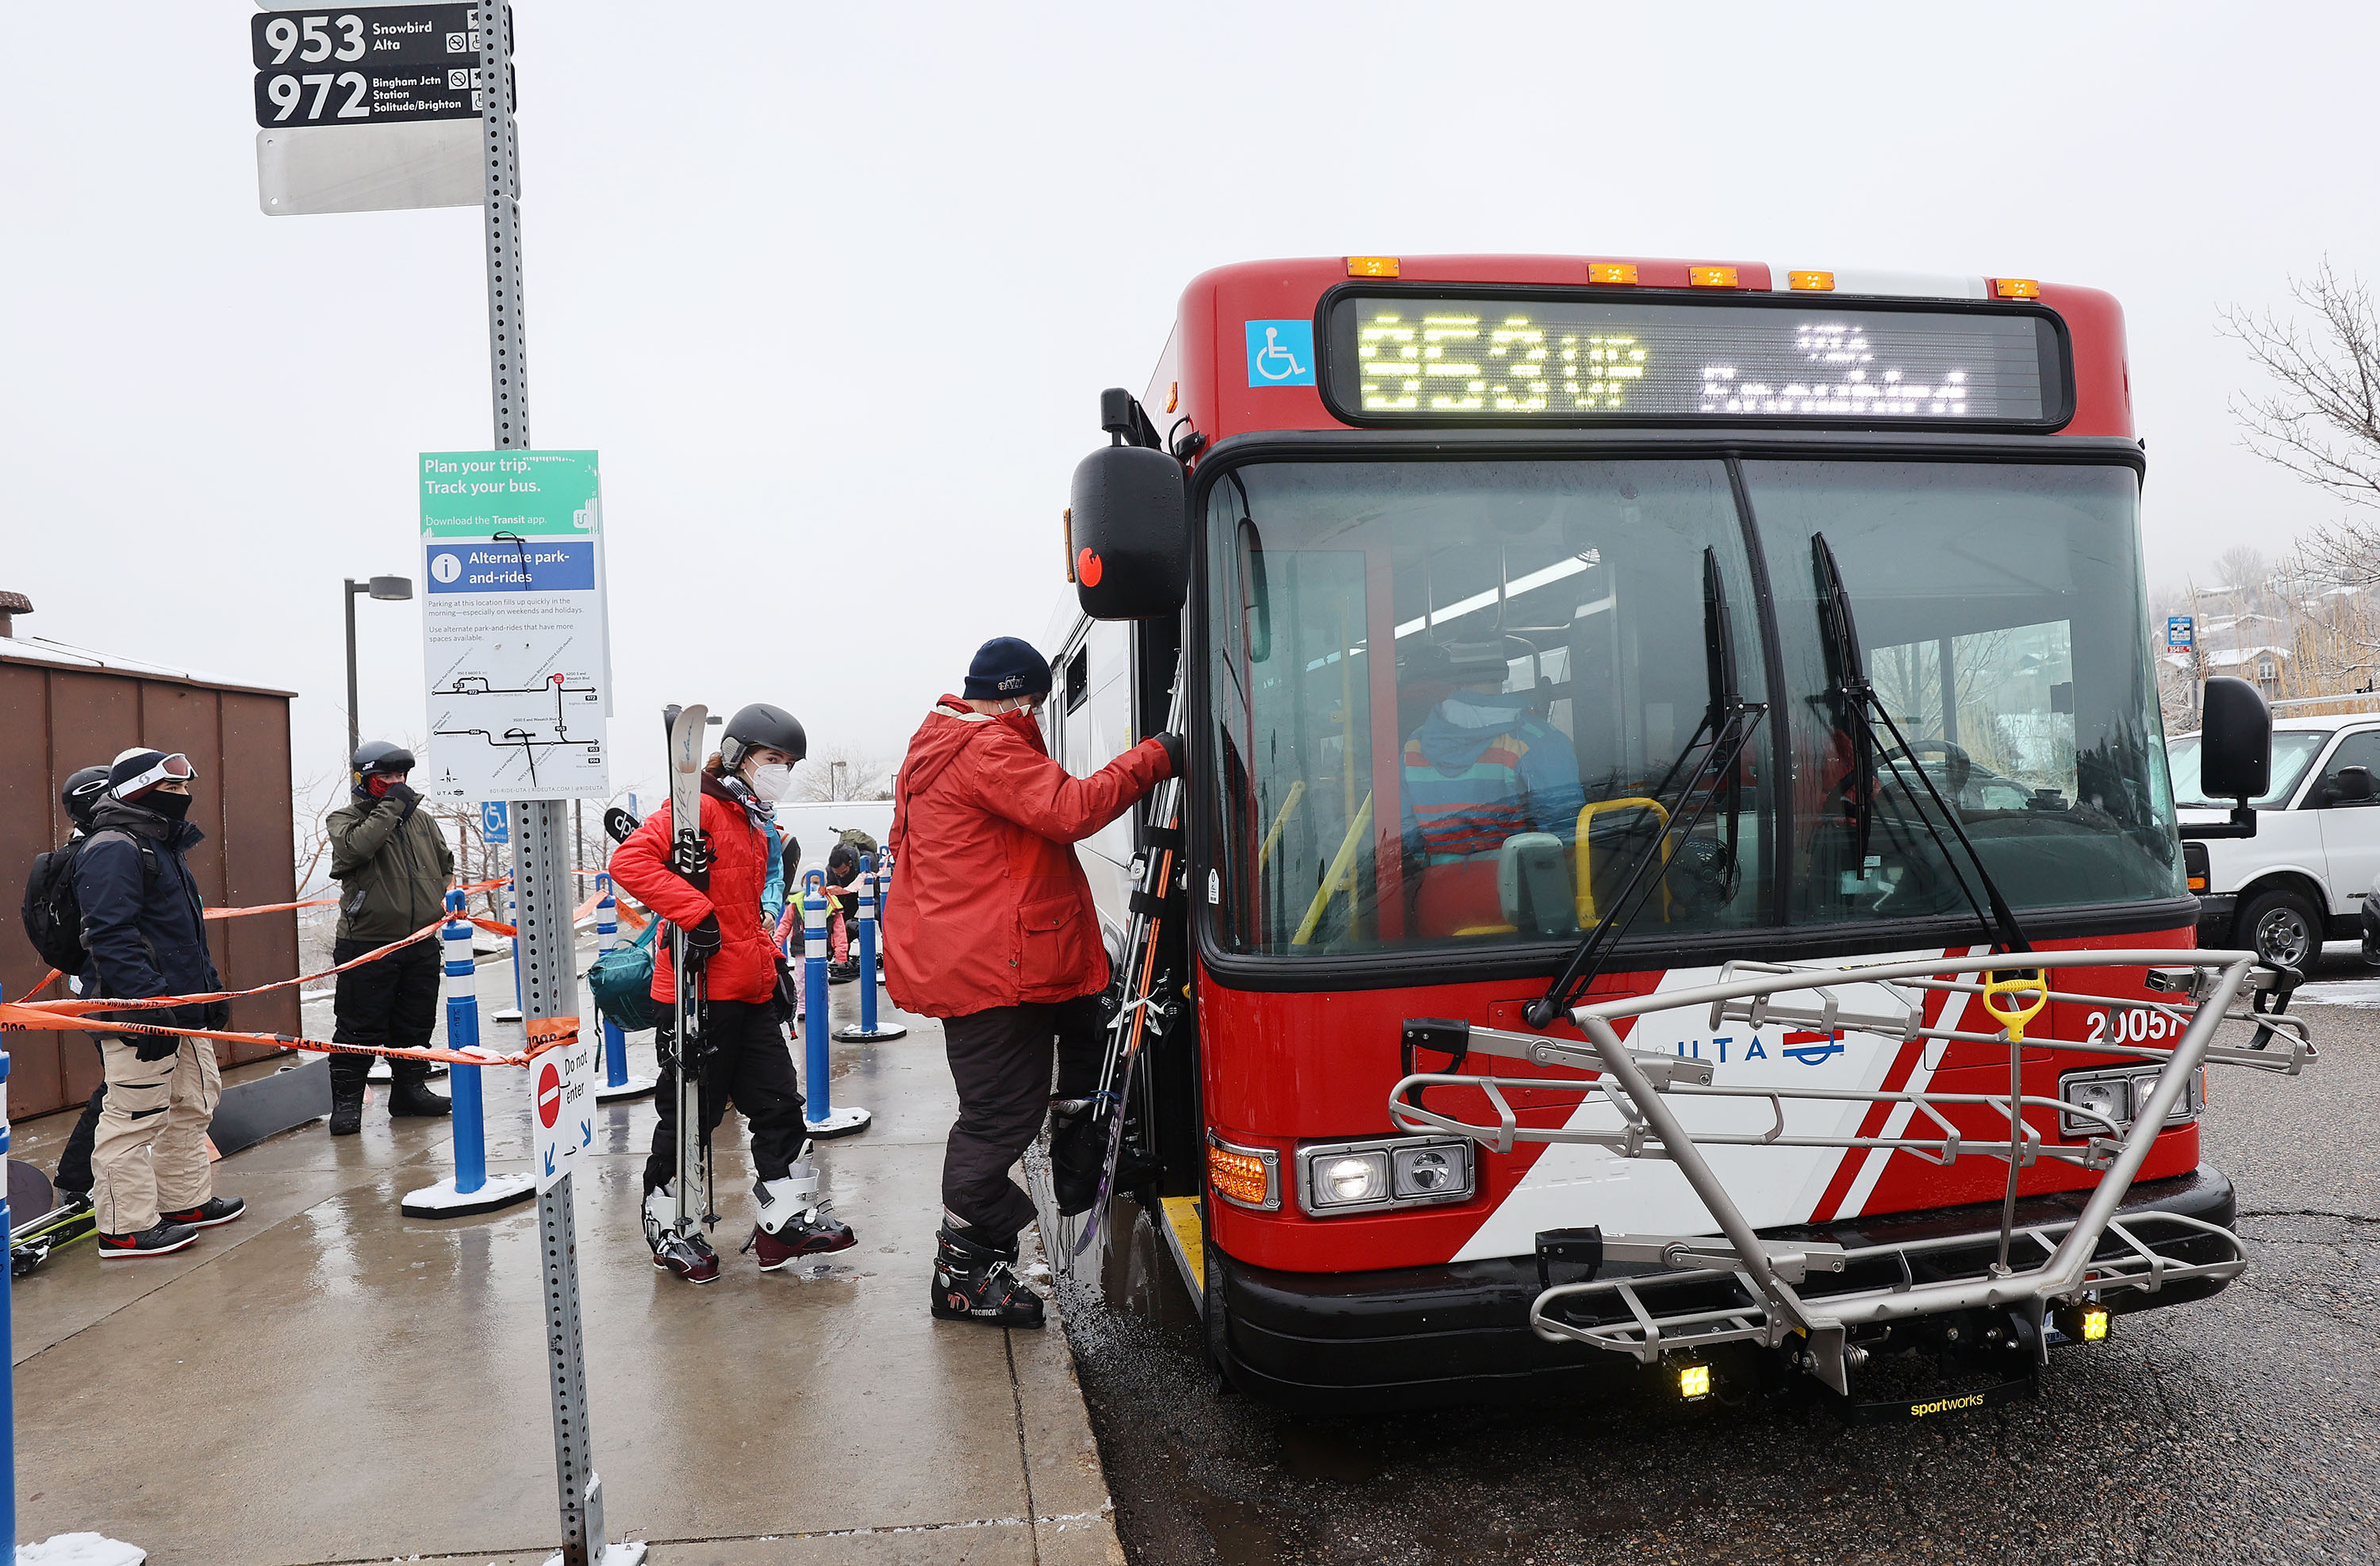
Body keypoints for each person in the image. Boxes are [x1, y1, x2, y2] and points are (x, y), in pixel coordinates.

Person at [884, 635, 1180, 1329]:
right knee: (996, 1121)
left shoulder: (946, 742)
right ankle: (962, 1274)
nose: (1038, 714)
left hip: (1003, 961)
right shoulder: (987, 747)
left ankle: (1081, 1161)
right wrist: (1158, 755)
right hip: (994, 976)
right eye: (1036, 702)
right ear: (1019, 695)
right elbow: (1071, 810)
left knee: (1088, 1019)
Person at [612, 702, 855, 1285]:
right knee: (690, 1116)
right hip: (697, 994)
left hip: (747, 989)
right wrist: (694, 912)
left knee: (778, 1105)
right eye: (775, 759)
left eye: (790, 763)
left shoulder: (755, 820)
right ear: (744, 757)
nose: (782, 771)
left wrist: (773, 966)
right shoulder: (696, 811)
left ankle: (784, 1222)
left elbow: (749, 912)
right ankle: (673, 1226)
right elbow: (630, 860)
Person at [76, 747, 244, 1258]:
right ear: (136, 790)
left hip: (183, 1008)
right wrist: (145, 1005)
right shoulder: (114, 847)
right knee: (133, 1115)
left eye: (183, 788)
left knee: (193, 1103)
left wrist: (209, 990)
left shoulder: (162, 846)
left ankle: (183, 1202)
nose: (181, 797)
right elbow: (110, 934)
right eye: (168, 788)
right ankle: (124, 1228)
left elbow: (185, 935)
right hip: (138, 1012)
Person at [1397, 641, 1584, 937]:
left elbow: (1405, 832)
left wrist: (1441, 862)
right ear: (1502, 675)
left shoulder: (1413, 745)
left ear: (1455, 679)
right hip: (1517, 900)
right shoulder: (1539, 738)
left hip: (1436, 897)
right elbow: (1566, 836)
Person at [323, 742, 455, 1134]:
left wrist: (430, 899)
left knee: (414, 1025)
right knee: (359, 1027)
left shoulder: (423, 821)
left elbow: (444, 862)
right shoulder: (345, 818)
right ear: (365, 780)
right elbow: (355, 849)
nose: (398, 785)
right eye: (388, 778)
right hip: (367, 942)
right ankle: (347, 1103)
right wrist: (392, 808)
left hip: (420, 941)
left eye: (402, 777)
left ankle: (409, 1091)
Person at [36, 765, 114, 1203]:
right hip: (110, 988)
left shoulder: (87, 850)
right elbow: (108, 930)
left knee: (126, 1085)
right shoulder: (97, 855)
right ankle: (76, 1180)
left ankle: (81, 1177)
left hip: (99, 986)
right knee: (123, 1087)